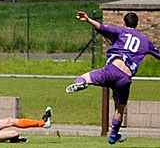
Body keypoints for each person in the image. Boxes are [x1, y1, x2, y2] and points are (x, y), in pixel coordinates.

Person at [66, 11, 160, 144]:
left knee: (84, 77)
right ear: (137, 24)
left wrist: (87, 19)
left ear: (124, 22)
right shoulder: (146, 41)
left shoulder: (121, 32)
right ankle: (113, 136)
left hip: (112, 70)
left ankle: (82, 83)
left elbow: (102, 27)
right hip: (125, 79)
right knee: (119, 109)